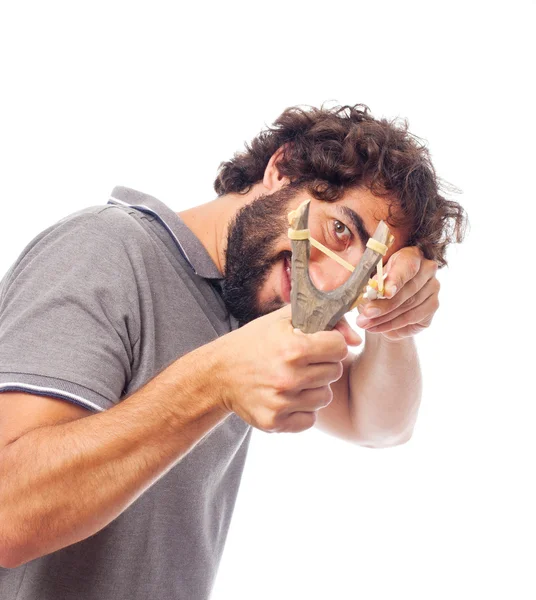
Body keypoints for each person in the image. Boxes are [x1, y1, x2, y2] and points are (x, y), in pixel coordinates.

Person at [0, 104, 466, 599]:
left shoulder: (252, 306)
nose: (331, 281)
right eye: (339, 231)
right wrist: (214, 382)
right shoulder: (104, 249)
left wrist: (393, 323)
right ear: (280, 170)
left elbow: (379, 425)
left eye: (364, 272)